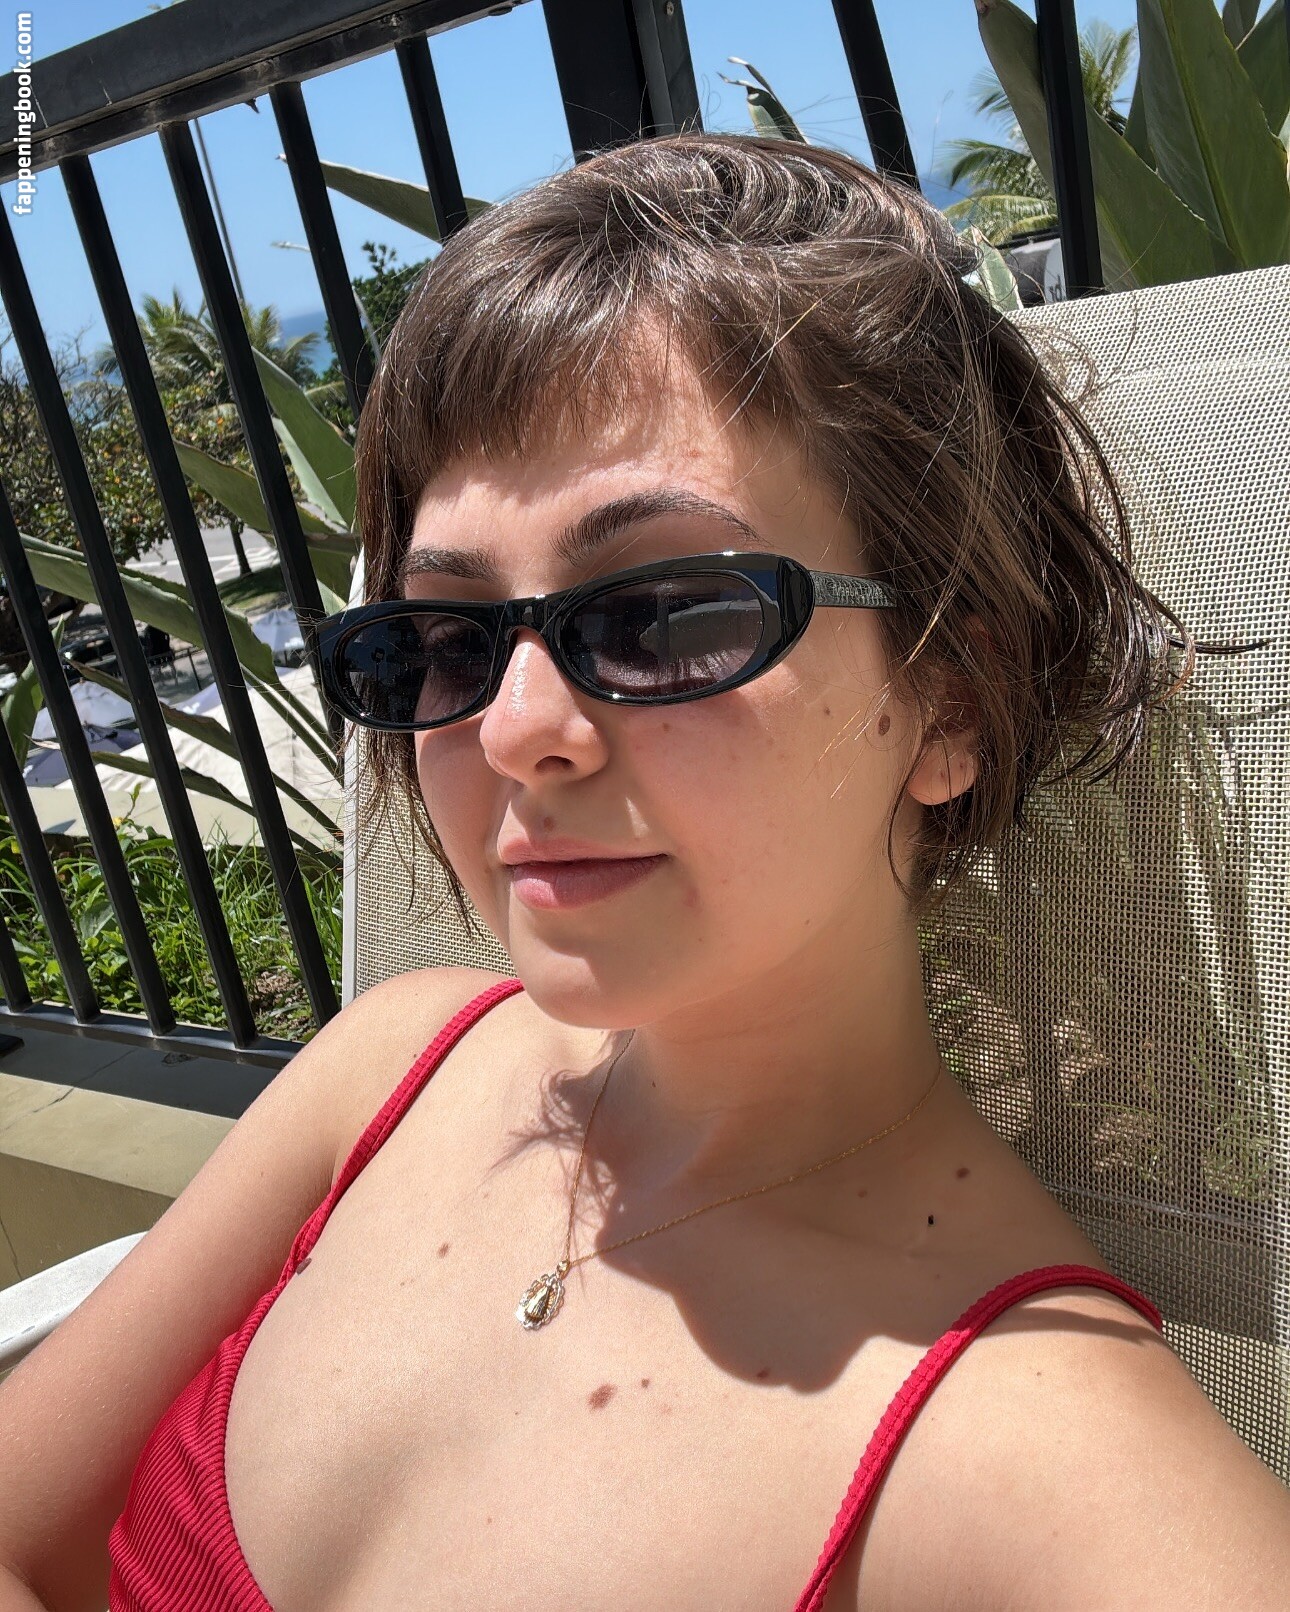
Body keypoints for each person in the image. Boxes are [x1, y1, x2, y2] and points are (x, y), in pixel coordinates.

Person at [3, 132, 1288, 1611]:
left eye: (669, 613)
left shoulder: (1051, 1472)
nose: (514, 730)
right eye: (445, 638)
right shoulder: (393, 1062)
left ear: (948, 701)